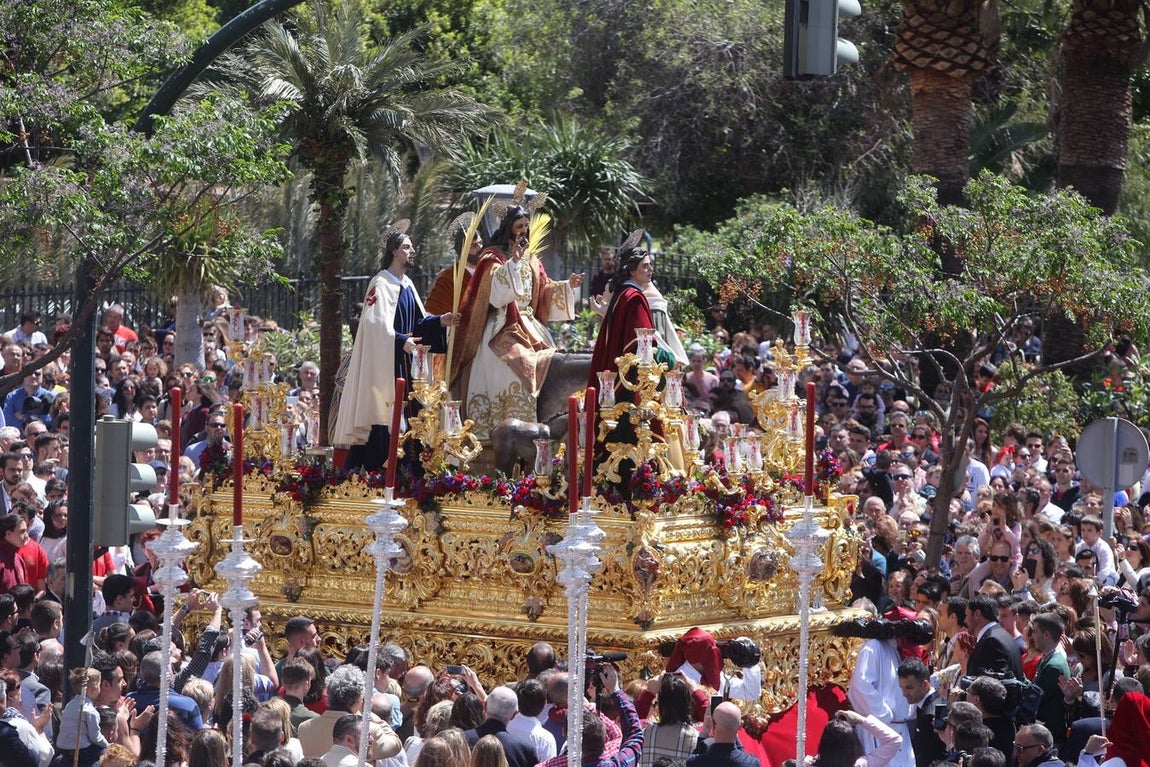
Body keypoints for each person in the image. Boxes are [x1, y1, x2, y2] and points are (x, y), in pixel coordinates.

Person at [334, 221, 460, 472]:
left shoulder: (407, 284)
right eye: (406, 247)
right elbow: (374, 325)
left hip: (408, 366)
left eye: (412, 247)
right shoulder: (381, 283)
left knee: (414, 418)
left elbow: (419, 322)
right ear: (394, 251)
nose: (412, 251)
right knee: (384, 421)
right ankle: (375, 474)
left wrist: (440, 321)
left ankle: (410, 473)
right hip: (387, 367)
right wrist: (403, 341)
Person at [452, 205, 581, 442]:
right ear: (508, 227)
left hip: (530, 324)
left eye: (525, 226)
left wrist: (565, 287)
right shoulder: (492, 257)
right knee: (515, 372)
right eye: (518, 226)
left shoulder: (532, 259)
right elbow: (496, 295)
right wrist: (512, 263)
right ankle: (498, 435)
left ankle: (542, 430)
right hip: (502, 326)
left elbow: (543, 290)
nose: (523, 231)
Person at [586, 231, 677, 462]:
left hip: (619, 376)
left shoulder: (622, 294)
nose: (650, 270)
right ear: (631, 270)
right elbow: (644, 343)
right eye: (645, 267)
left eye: (650, 266)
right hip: (631, 382)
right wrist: (670, 358)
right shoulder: (634, 297)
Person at [807, 709, 903, 766]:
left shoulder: (807, 763)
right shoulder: (860, 765)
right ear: (853, 744)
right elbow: (895, 740)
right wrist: (861, 720)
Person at [56, 667, 109, 767]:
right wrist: (107, 745)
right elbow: (95, 736)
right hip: (81, 750)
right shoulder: (89, 710)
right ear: (94, 688)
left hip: (63, 748)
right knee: (103, 752)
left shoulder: (70, 705)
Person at [687, 702, 759, 767]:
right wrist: (734, 728)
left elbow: (696, 759)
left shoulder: (695, 762)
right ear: (740, 726)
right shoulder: (752, 763)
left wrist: (704, 732)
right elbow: (745, 759)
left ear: (713, 724)